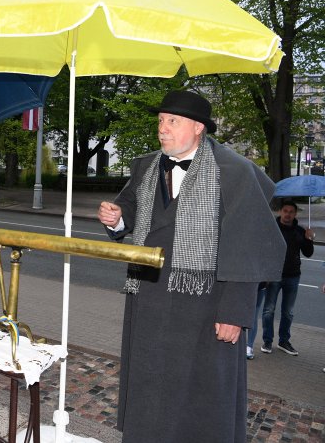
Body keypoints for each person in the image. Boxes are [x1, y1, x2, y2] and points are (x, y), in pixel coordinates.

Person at [96, 90, 285, 443]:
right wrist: (118, 218)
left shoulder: (235, 172)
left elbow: (248, 246)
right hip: (150, 298)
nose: (162, 130)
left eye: (172, 122)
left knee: (202, 396)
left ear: (198, 127)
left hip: (207, 304)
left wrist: (236, 311)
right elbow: (132, 212)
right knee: (151, 390)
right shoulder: (146, 166)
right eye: (160, 122)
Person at [259, 200, 314, 356]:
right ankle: (267, 341)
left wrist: (309, 239)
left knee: (288, 312)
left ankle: (284, 341)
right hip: (274, 275)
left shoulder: (299, 231)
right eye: (285, 211)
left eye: (291, 211)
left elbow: (308, 253)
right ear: (280, 212)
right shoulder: (272, 229)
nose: (288, 214)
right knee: (269, 310)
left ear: (295, 214)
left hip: (293, 276)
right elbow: (263, 251)